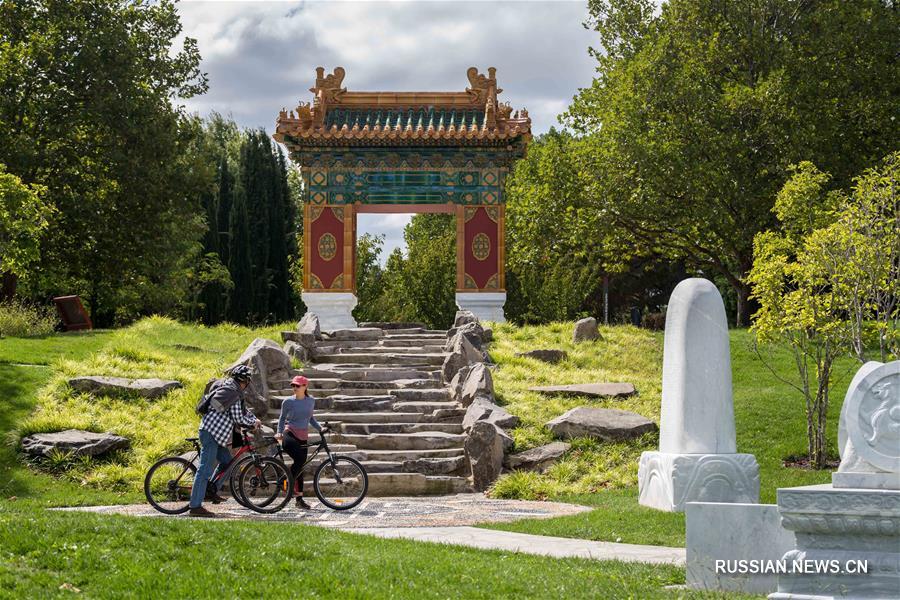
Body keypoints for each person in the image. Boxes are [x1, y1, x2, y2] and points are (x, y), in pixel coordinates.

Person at [188, 364, 261, 518]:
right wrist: (251, 424)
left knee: (227, 461)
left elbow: (243, 411)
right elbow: (238, 418)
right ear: (245, 381)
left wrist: (255, 419)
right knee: (204, 469)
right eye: (248, 381)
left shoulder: (230, 388)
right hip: (211, 433)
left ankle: (212, 489)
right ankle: (195, 506)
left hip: (215, 434)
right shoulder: (233, 393)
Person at [275, 375, 322, 509]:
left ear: (305, 386)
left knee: (300, 466)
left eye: (297, 385)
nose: (294, 388)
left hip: (303, 436)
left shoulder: (311, 401)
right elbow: (282, 418)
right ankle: (285, 481)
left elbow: (311, 418)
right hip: (289, 434)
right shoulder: (288, 402)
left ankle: (299, 500)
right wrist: (279, 432)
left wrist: (320, 428)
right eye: (293, 386)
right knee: (300, 460)